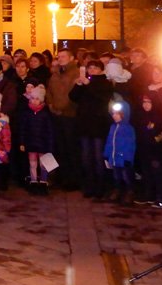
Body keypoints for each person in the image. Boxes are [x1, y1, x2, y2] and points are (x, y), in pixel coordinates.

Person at [69, 58, 113, 200]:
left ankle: (101, 187)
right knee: (86, 157)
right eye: (90, 68)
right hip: (84, 124)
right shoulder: (85, 82)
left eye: (95, 68)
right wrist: (78, 85)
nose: (92, 70)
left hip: (98, 125)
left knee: (98, 157)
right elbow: (73, 97)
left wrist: (89, 85)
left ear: (101, 70)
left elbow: (103, 98)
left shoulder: (105, 83)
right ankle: (89, 186)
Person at [46, 48, 81, 191]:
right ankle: (61, 177)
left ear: (71, 58)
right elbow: (49, 91)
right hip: (56, 115)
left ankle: (73, 179)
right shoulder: (55, 74)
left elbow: (74, 95)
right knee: (59, 147)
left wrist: (63, 108)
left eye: (63, 56)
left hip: (69, 115)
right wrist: (50, 104)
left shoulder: (76, 73)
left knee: (70, 148)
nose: (60, 59)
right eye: (58, 56)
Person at [20, 84, 55, 191]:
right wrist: (22, 142)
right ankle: (33, 181)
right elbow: (23, 129)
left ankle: (43, 182)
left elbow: (49, 131)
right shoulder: (27, 113)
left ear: (41, 100)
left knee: (43, 164)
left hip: (43, 144)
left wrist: (50, 145)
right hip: (31, 143)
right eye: (32, 98)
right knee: (32, 163)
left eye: (37, 99)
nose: (34, 101)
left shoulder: (45, 114)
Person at [104, 97, 136, 205]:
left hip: (124, 159)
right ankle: (117, 191)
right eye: (113, 114)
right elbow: (109, 142)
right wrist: (106, 155)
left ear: (124, 114)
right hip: (114, 158)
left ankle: (130, 192)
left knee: (126, 176)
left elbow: (131, 145)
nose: (114, 116)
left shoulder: (128, 129)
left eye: (117, 114)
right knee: (116, 176)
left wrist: (128, 158)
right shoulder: (113, 127)